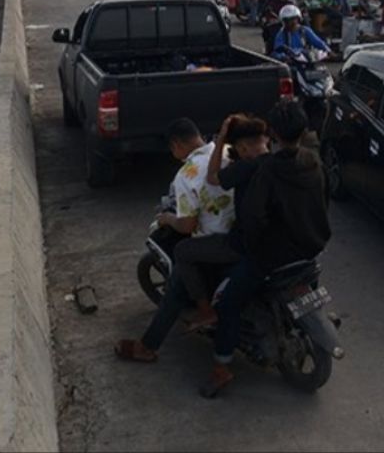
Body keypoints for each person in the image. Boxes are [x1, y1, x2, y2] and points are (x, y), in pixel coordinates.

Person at [203, 100, 331, 397]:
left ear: (272, 133)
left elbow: (252, 217)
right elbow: (324, 203)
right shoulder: (313, 161)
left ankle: (222, 366)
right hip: (311, 249)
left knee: (227, 304)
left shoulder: (265, 170)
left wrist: (255, 247)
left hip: (272, 259)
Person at [114, 118, 232, 363]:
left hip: (217, 244)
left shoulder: (186, 174)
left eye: (172, 149)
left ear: (177, 145)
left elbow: (187, 225)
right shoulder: (227, 151)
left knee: (179, 279)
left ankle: (148, 346)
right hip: (245, 234)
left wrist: (168, 219)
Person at [175, 114, 270, 332]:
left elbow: (212, 177)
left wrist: (220, 141)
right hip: (279, 240)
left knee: (182, 251)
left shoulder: (244, 168)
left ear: (243, 149)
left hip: (243, 244)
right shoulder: (277, 163)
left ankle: (205, 311)